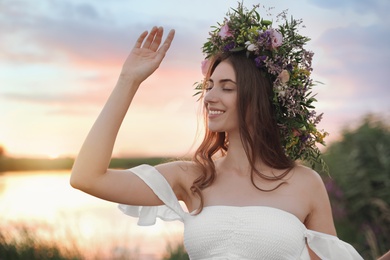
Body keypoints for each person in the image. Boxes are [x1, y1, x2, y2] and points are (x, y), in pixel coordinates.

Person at [70, 3, 364, 259]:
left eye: (227, 88)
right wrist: (128, 80)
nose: (209, 97)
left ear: (258, 99)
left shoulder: (305, 183)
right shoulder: (192, 177)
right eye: (209, 86)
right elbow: (87, 177)